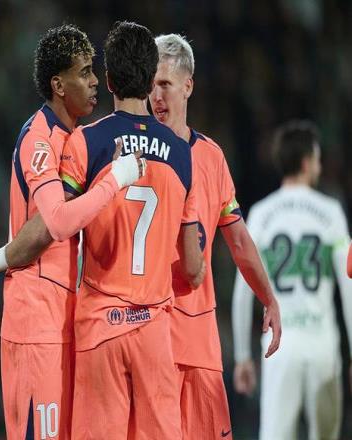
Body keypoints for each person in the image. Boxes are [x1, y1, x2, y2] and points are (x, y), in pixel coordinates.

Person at [0, 24, 145, 439]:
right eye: (84, 72)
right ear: (58, 85)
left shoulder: (77, 139)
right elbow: (57, 222)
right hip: (36, 322)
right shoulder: (40, 139)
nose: (94, 81)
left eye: (93, 70)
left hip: (66, 318)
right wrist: (115, 179)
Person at [59, 21, 204, 439]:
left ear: (108, 81)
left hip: (100, 324)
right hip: (153, 331)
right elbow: (192, 266)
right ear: (149, 79)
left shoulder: (86, 143)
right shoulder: (181, 154)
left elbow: (61, 225)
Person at [149, 33, 281, 440]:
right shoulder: (136, 151)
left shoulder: (211, 157)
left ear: (188, 86)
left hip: (199, 341)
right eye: (150, 85)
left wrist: (269, 297)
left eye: (165, 84)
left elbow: (239, 241)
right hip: (151, 336)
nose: (156, 96)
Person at [232, 120, 352, 440]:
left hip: (279, 347)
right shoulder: (331, 211)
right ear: (307, 161)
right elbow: (349, 285)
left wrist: (242, 356)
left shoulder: (261, 213)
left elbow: (243, 288)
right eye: (318, 159)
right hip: (322, 344)